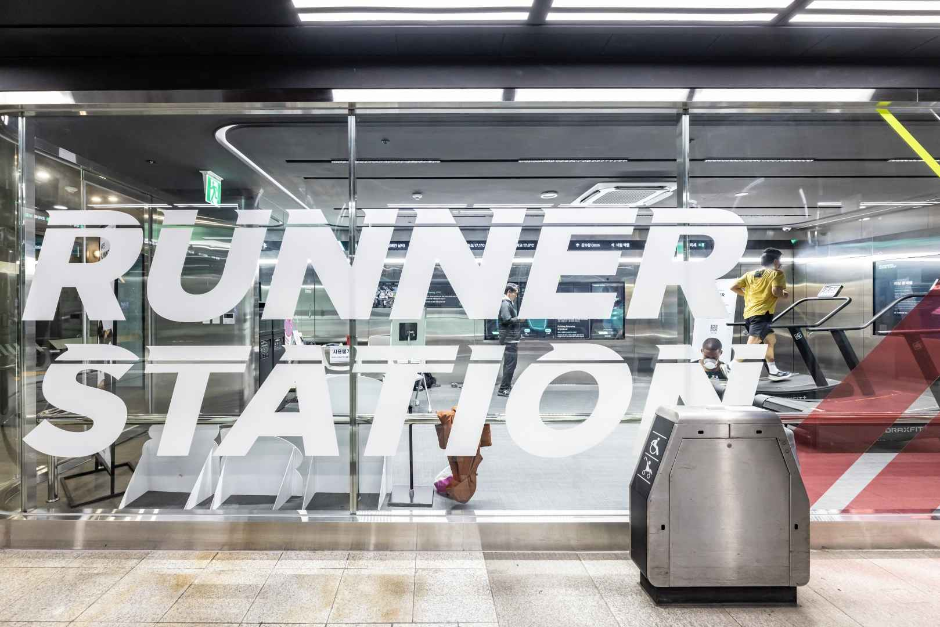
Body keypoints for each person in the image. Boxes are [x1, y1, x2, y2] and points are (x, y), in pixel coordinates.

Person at [731, 248, 793, 381]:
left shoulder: (750, 274)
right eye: (779, 261)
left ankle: (773, 371)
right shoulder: (777, 273)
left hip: (750, 314)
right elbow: (776, 292)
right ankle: (731, 366)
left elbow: (733, 287)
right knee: (752, 344)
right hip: (762, 314)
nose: (780, 263)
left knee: (770, 341)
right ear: (775, 261)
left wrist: (747, 295)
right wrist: (784, 294)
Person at [497, 283, 524, 397]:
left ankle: (506, 386)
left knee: (509, 364)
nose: (516, 296)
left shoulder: (507, 303)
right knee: (510, 365)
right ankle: (503, 389)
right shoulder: (505, 304)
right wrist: (519, 319)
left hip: (510, 339)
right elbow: (506, 319)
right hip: (509, 339)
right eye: (515, 293)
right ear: (509, 292)